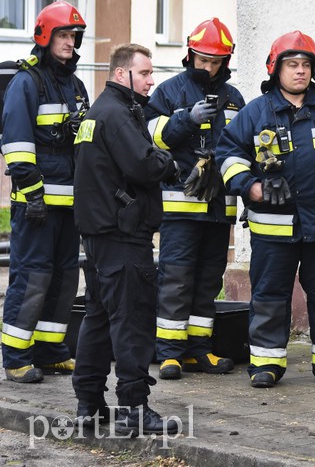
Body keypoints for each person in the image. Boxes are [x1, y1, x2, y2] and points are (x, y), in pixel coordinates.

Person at [217, 31, 315, 388]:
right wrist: (250, 186)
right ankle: (266, 364)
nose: (300, 71)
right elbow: (228, 154)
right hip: (272, 228)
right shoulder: (255, 113)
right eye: (292, 65)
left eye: (305, 65)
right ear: (276, 69)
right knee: (270, 294)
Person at [72, 44, 180, 435]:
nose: (152, 80)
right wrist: (169, 162)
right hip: (122, 236)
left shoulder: (99, 112)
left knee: (99, 318)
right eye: (146, 73)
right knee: (130, 320)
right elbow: (144, 164)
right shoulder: (116, 114)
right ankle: (134, 409)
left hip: (100, 235)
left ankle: (89, 404)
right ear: (122, 74)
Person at [145, 18, 246, 380]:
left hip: (219, 206)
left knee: (208, 280)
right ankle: (169, 352)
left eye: (216, 61)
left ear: (225, 61)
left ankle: (198, 350)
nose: (209, 67)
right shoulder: (169, 91)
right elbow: (152, 137)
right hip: (180, 207)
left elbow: (242, 145)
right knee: (176, 278)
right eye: (203, 59)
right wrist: (186, 119)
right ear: (190, 55)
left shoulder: (234, 98)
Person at [1, 1, 89, 383]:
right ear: (45, 37)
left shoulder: (76, 84)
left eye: (73, 36)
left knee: (66, 277)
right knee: (32, 278)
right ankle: (16, 356)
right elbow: (17, 145)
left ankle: (51, 350)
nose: (70, 43)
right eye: (63, 36)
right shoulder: (27, 82)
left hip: (70, 205)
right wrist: (33, 193)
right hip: (36, 205)